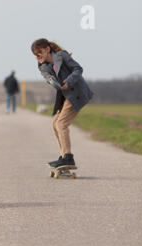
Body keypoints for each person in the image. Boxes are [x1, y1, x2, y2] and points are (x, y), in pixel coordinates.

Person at [31, 38, 93, 168]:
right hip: (66, 96)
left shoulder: (61, 56)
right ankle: (64, 155)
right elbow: (48, 78)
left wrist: (68, 82)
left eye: (39, 53)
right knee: (55, 124)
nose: (38, 57)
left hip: (76, 93)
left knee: (61, 123)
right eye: (35, 55)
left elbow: (78, 69)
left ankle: (68, 158)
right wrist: (49, 76)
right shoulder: (44, 67)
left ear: (47, 49)